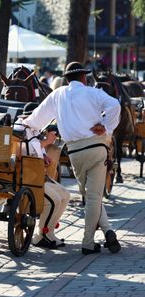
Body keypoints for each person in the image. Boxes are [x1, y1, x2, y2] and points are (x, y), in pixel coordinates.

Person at [23, 61, 121, 255]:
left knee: (90, 196)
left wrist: (21, 124)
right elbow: (115, 104)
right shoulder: (93, 92)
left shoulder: (58, 95)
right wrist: (106, 125)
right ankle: (89, 242)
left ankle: (108, 230)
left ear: (67, 79)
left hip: (75, 152)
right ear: (84, 77)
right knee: (94, 197)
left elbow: (35, 120)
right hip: (97, 147)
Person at [13, 102, 70, 248]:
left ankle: (49, 232)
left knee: (65, 195)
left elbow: (36, 150)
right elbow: (20, 150)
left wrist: (43, 156)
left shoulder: (34, 129)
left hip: (37, 174)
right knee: (54, 200)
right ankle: (41, 235)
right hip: (26, 176)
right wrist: (46, 143)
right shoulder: (20, 128)